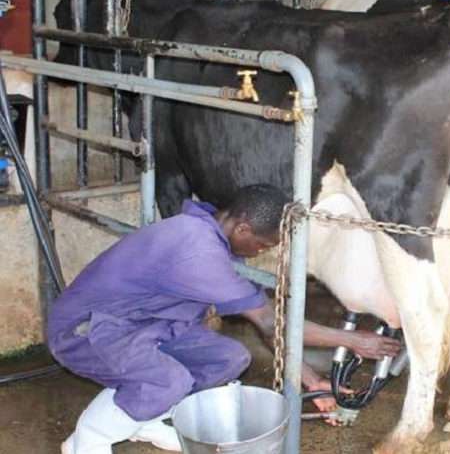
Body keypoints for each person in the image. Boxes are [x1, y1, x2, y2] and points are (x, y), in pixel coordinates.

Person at [47, 184, 400, 454]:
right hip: (87, 331)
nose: (265, 252)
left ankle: (143, 416)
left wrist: (313, 381)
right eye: (265, 245)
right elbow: (269, 322)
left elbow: (269, 328)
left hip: (144, 326)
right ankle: (85, 441)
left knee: (228, 358)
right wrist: (352, 340)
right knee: (166, 381)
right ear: (244, 228)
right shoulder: (199, 252)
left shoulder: (212, 232)